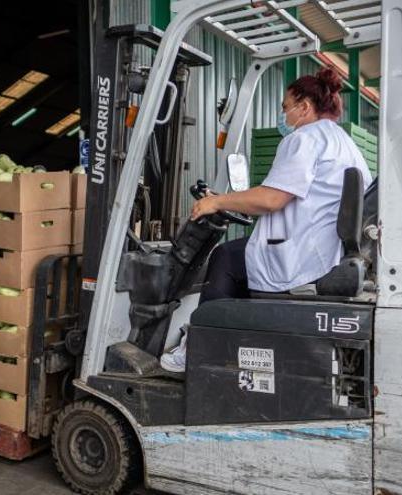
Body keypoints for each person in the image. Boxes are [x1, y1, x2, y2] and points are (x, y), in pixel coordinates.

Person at [160, 67, 373, 372]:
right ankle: (226, 342)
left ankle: (197, 347)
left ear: (304, 107)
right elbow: (287, 198)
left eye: (286, 107)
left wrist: (216, 201)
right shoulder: (341, 141)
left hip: (304, 257)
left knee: (225, 258)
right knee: (240, 254)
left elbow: (272, 199)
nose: (283, 115)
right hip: (323, 249)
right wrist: (228, 201)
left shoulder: (305, 138)